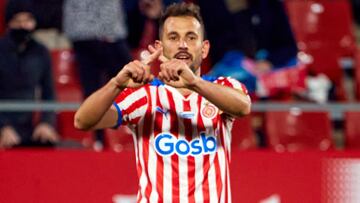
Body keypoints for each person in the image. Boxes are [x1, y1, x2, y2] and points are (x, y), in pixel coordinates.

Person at [75, 2, 251, 202]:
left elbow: (243, 107)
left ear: (204, 49)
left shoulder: (224, 86)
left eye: (191, 37)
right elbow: (83, 121)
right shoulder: (145, 96)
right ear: (159, 48)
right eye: (173, 37)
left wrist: (194, 83)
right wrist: (116, 83)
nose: (182, 45)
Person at [63, 0, 133, 147]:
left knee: (133, 83)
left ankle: (140, 130)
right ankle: (98, 140)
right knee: (92, 91)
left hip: (111, 34)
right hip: (83, 36)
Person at [0, 0, 58, 148]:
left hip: (28, 129)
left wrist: (46, 123)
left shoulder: (41, 52)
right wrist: (3, 127)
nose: (23, 26)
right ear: (9, 23)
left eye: (27, 20)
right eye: (17, 21)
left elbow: (49, 93)